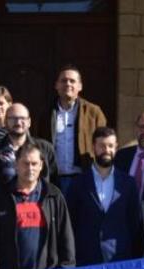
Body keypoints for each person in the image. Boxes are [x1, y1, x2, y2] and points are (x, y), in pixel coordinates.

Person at [0, 143, 75, 269]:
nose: (30, 168)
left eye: (34, 164)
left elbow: (65, 237)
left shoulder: (53, 196)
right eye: (25, 163)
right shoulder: (1, 197)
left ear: (41, 166)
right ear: (16, 165)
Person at [67, 127, 144, 266]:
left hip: (120, 259)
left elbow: (135, 223)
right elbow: (70, 224)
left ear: (116, 148)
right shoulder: (77, 184)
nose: (106, 150)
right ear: (93, 148)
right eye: (101, 146)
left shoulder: (128, 183)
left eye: (110, 146)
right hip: (86, 259)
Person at [36, 64, 108, 196]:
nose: (68, 84)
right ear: (56, 85)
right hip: (54, 179)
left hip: (84, 178)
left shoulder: (93, 112)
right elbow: (39, 145)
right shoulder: (46, 114)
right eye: (63, 81)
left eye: (72, 81)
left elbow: (104, 143)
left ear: (80, 86)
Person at [0, 103, 56, 209]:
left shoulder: (45, 149)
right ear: (5, 122)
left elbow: (54, 184)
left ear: (29, 122)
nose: (18, 122)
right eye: (13, 118)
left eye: (22, 118)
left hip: (38, 211)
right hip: (3, 213)